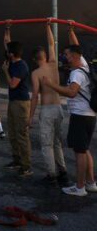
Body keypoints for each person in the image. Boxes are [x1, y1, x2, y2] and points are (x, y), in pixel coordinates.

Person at [42, 44, 97, 196]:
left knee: (80, 152)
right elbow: (78, 47)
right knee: (84, 149)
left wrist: (50, 84)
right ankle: (91, 183)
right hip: (89, 115)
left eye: (66, 55)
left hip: (80, 115)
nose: (65, 57)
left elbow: (72, 92)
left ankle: (79, 187)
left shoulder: (76, 74)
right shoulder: (85, 66)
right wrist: (72, 30)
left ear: (73, 56)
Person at [29, 21, 68, 186]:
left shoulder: (36, 73)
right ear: (45, 55)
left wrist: (30, 117)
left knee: (47, 144)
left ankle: (52, 175)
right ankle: (63, 171)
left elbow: (35, 96)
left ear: (34, 58)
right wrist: (47, 27)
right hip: (58, 108)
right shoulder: (53, 65)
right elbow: (52, 43)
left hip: (46, 110)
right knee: (57, 142)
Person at [2, 22, 32, 177]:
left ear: (12, 54)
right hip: (13, 102)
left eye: (8, 52)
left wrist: (6, 72)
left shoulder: (21, 66)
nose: (6, 52)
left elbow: (13, 84)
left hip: (20, 103)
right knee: (12, 132)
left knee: (21, 134)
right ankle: (16, 160)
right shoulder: (13, 60)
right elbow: (7, 43)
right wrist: (7, 29)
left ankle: (26, 166)